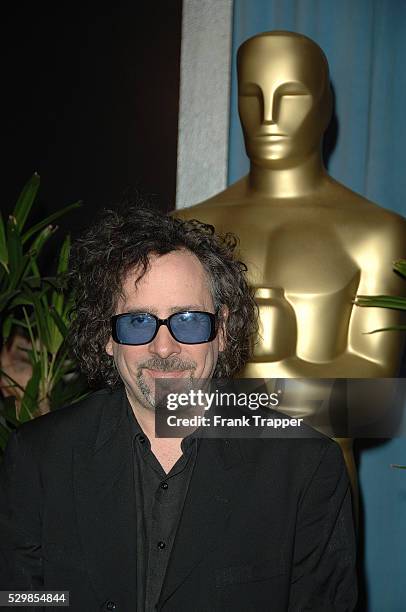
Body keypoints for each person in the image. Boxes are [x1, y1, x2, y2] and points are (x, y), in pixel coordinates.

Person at [0, 206, 357, 611]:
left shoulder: (306, 467)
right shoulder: (39, 457)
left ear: (221, 331)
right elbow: (21, 598)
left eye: (187, 320)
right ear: (107, 337)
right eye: (138, 323)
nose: (163, 347)